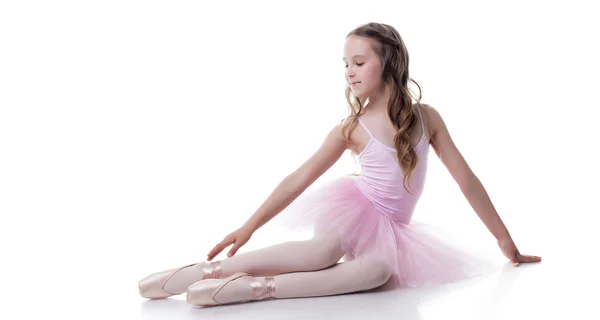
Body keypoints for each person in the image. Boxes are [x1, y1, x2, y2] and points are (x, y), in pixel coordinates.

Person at [138, 22, 542, 307]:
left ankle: (256, 288)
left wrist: (503, 239)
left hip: (392, 232)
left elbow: (466, 179)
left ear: (389, 62)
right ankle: (207, 272)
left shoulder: (427, 118)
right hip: (352, 211)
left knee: (378, 273)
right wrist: (248, 227)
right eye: (345, 62)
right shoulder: (351, 127)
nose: (349, 70)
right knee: (322, 252)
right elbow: (298, 178)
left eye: (359, 61)